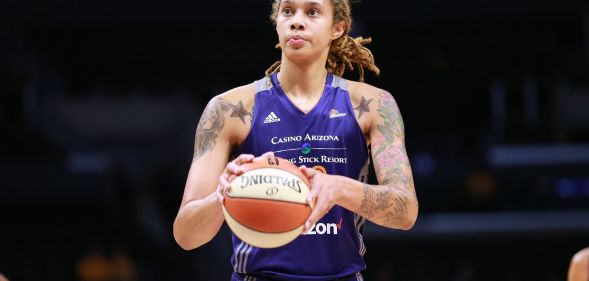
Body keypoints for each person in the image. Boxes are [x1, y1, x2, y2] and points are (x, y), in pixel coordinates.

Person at [173, 0, 418, 280]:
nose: (296, 21)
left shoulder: (374, 104)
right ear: (276, 23)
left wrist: (338, 187)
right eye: (287, 11)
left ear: (337, 28)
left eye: (312, 12)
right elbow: (186, 235)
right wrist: (224, 194)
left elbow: (406, 211)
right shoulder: (228, 109)